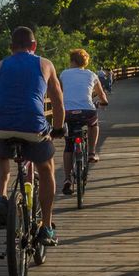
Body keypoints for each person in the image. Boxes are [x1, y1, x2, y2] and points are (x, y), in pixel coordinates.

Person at [0, 26, 66, 246]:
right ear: (34, 46)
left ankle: (2, 197)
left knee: (1, 156)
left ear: (11, 48)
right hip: (33, 127)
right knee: (46, 166)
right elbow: (58, 101)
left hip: (1, 125)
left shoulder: (0, 65)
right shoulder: (45, 64)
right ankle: (47, 227)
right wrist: (59, 128)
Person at [60, 48, 109, 194]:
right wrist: (104, 102)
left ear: (72, 61)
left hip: (68, 112)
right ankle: (92, 152)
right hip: (87, 111)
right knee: (94, 125)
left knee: (69, 145)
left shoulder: (64, 74)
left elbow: (60, 92)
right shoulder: (91, 75)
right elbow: (101, 94)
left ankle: (67, 179)